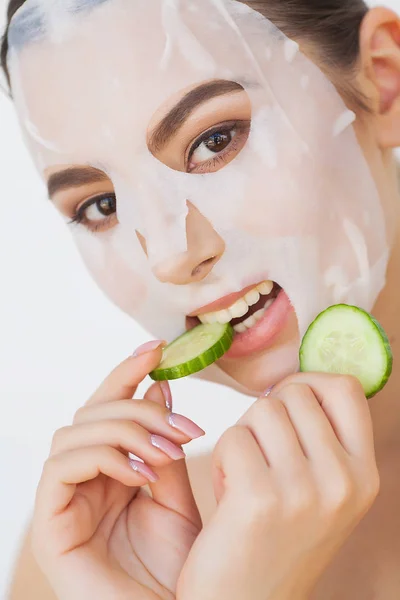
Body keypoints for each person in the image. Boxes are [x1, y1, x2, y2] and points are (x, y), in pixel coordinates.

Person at [2, 0, 400, 598]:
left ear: (382, 74)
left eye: (215, 140)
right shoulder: (99, 557)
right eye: (101, 205)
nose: (168, 255)